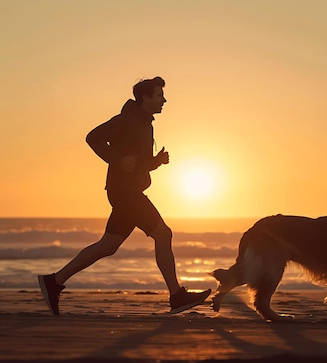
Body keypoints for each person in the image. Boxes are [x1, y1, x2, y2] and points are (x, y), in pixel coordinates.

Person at [38, 76, 211, 315]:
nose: (164, 100)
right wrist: (118, 159)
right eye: (160, 95)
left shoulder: (144, 123)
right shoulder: (127, 119)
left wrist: (155, 162)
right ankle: (176, 296)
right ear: (145, 98)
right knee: (163, 233)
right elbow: (93, 137)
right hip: (126, 192)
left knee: (108, 246)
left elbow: (137, 164)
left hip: (127, 191)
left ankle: (53, 282)